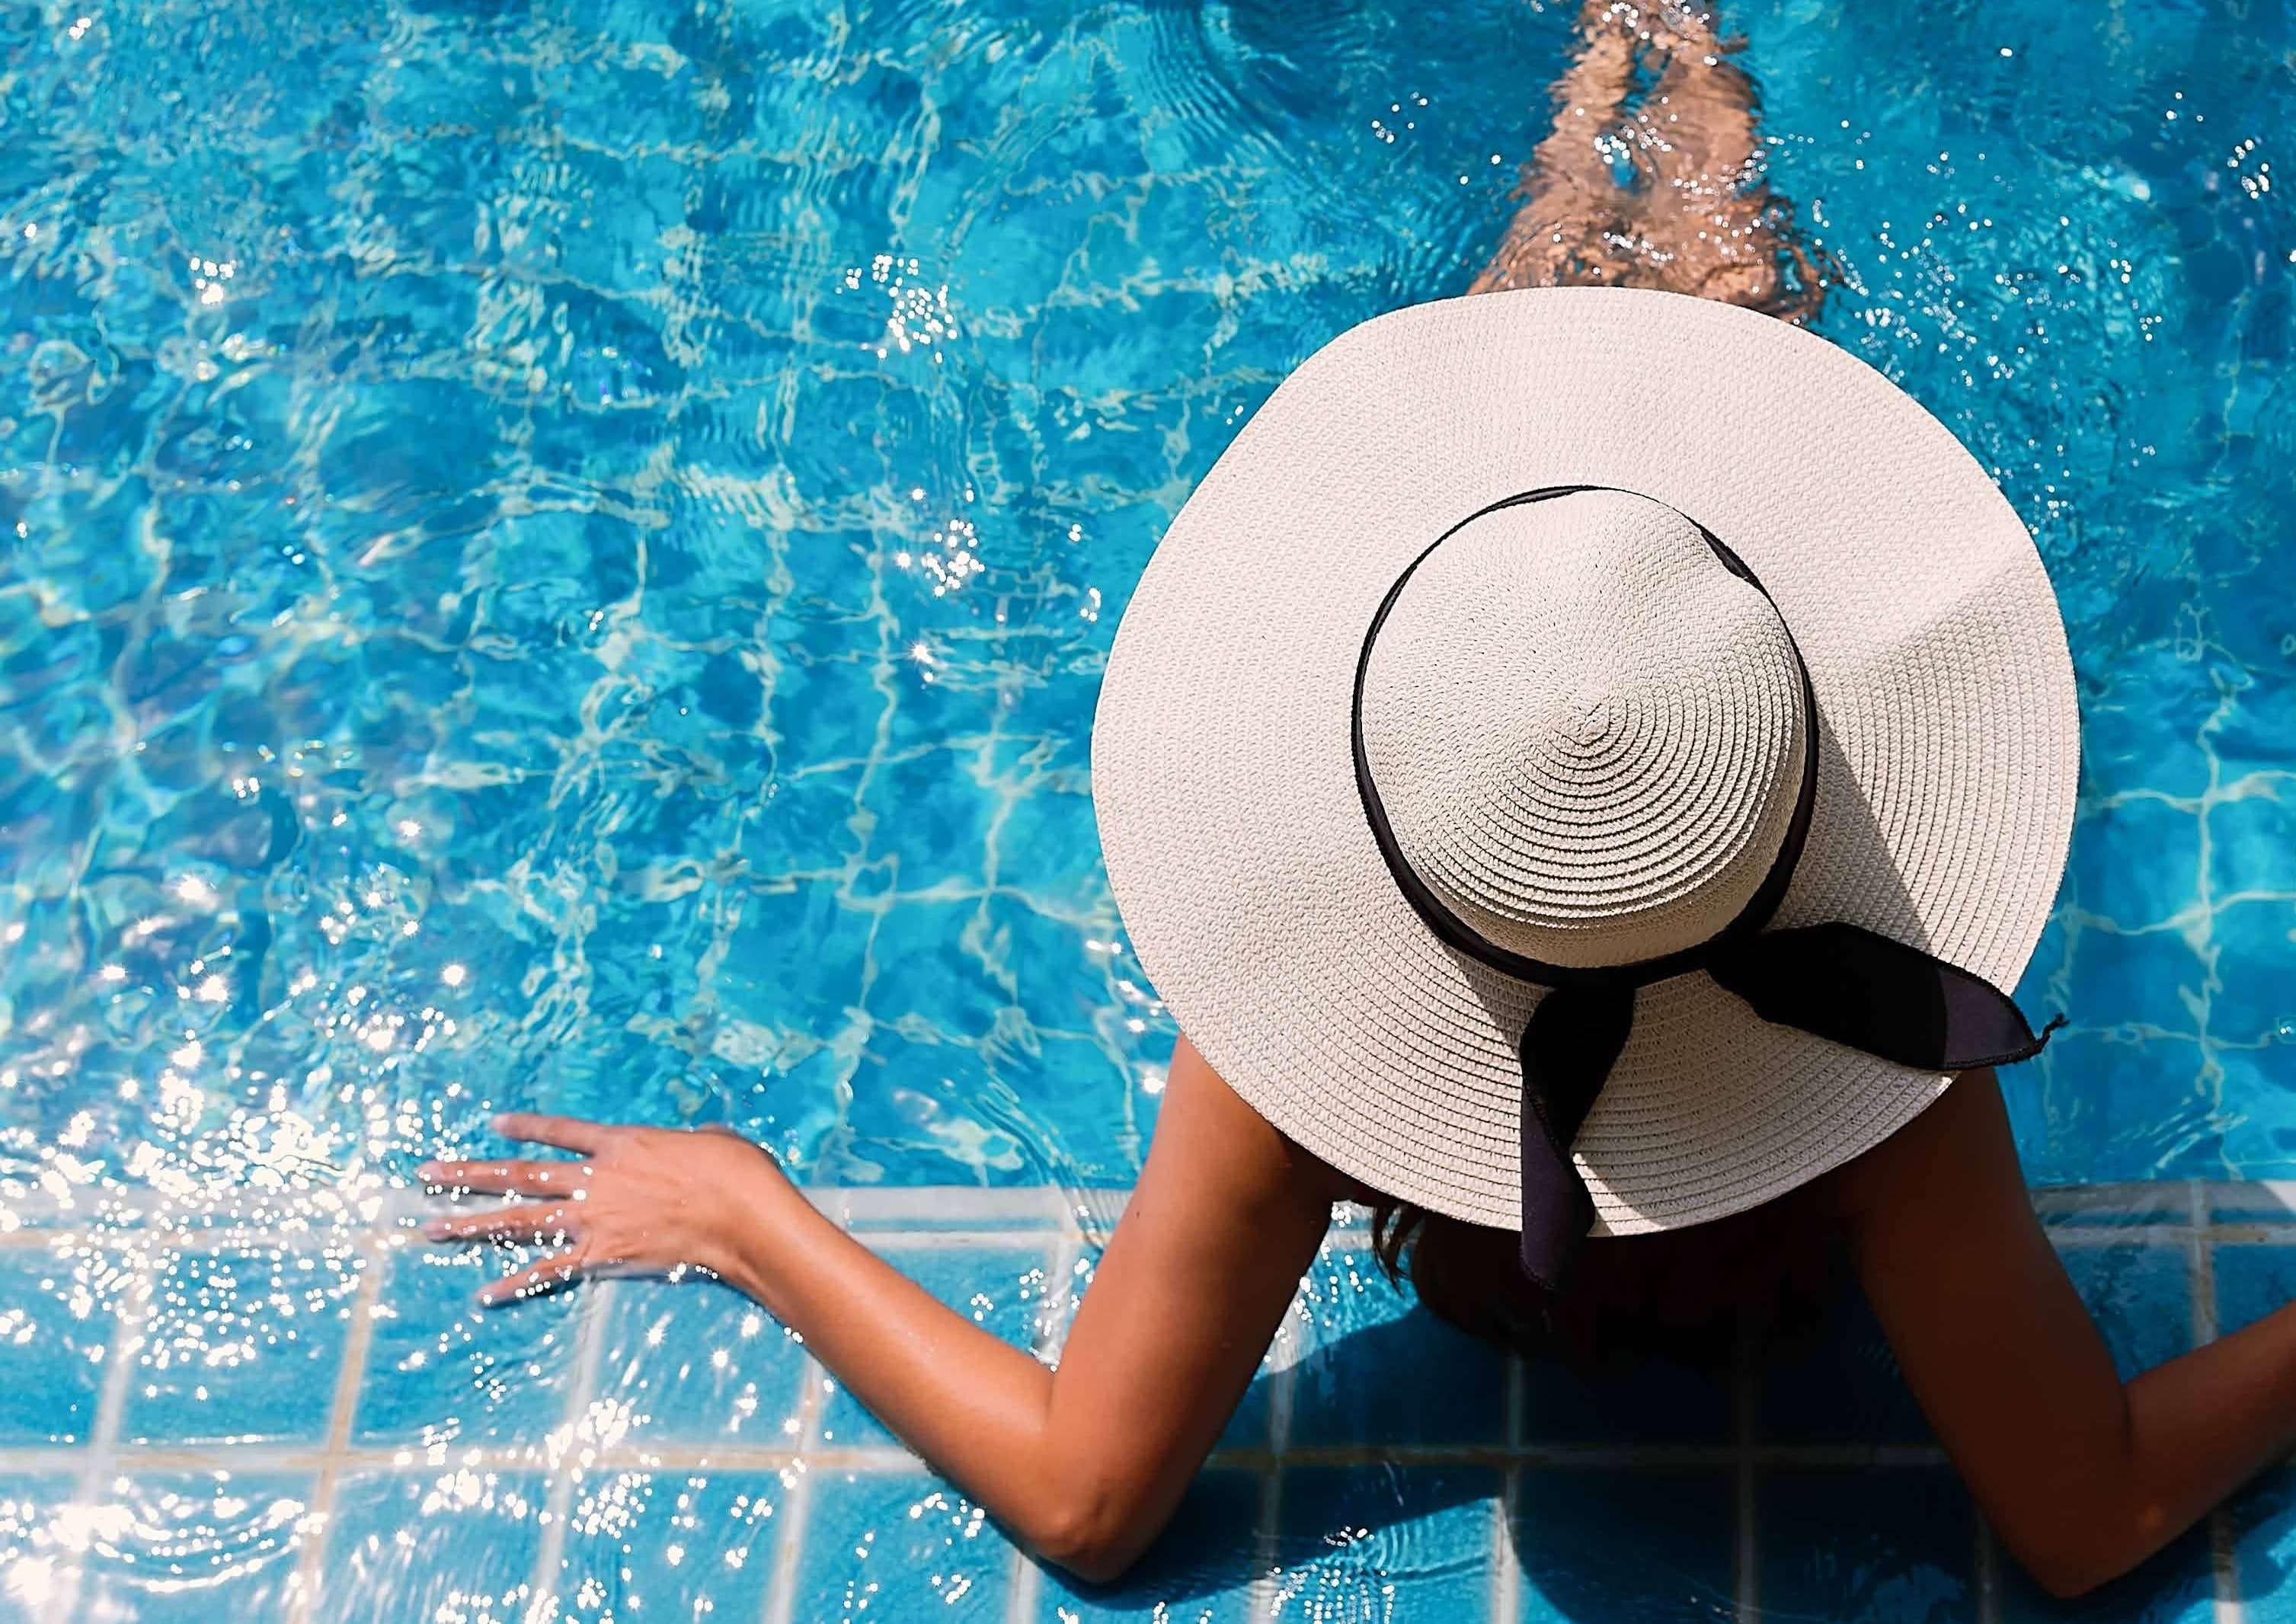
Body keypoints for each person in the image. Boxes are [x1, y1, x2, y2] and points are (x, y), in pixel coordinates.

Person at [417, 1, 2289, 1601]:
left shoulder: (1288, 1044)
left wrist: (750, 1214)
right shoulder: (1884, 1050)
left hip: (1522, 788)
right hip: (1720, 811)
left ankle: (1613, 75)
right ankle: (1686, 57)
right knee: (1699, 404)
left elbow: (1086, 1499)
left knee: (1539, 497)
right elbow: (2089, 1511)